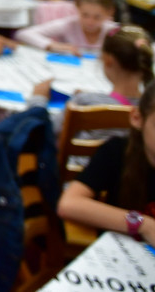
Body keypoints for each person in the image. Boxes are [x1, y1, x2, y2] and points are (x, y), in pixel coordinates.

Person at [57, 77, 155, 245]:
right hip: (121, 253)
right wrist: (144, 225)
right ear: (137, 118)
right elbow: (69, 203)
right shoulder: (117, 151)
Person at [28, 26, 152, 135]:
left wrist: (38, 100)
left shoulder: (86, 101)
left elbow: (46, 131)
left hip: (86, 162)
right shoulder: (150, 108)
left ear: (108, 60)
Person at [16, 0, 119, 55]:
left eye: (97, 17)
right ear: (77, 9)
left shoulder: (114, 31)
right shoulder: (70, 24)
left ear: (109, 13)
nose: (90, 22)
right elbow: (23, 34)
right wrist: (54, 45)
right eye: (84, 15)